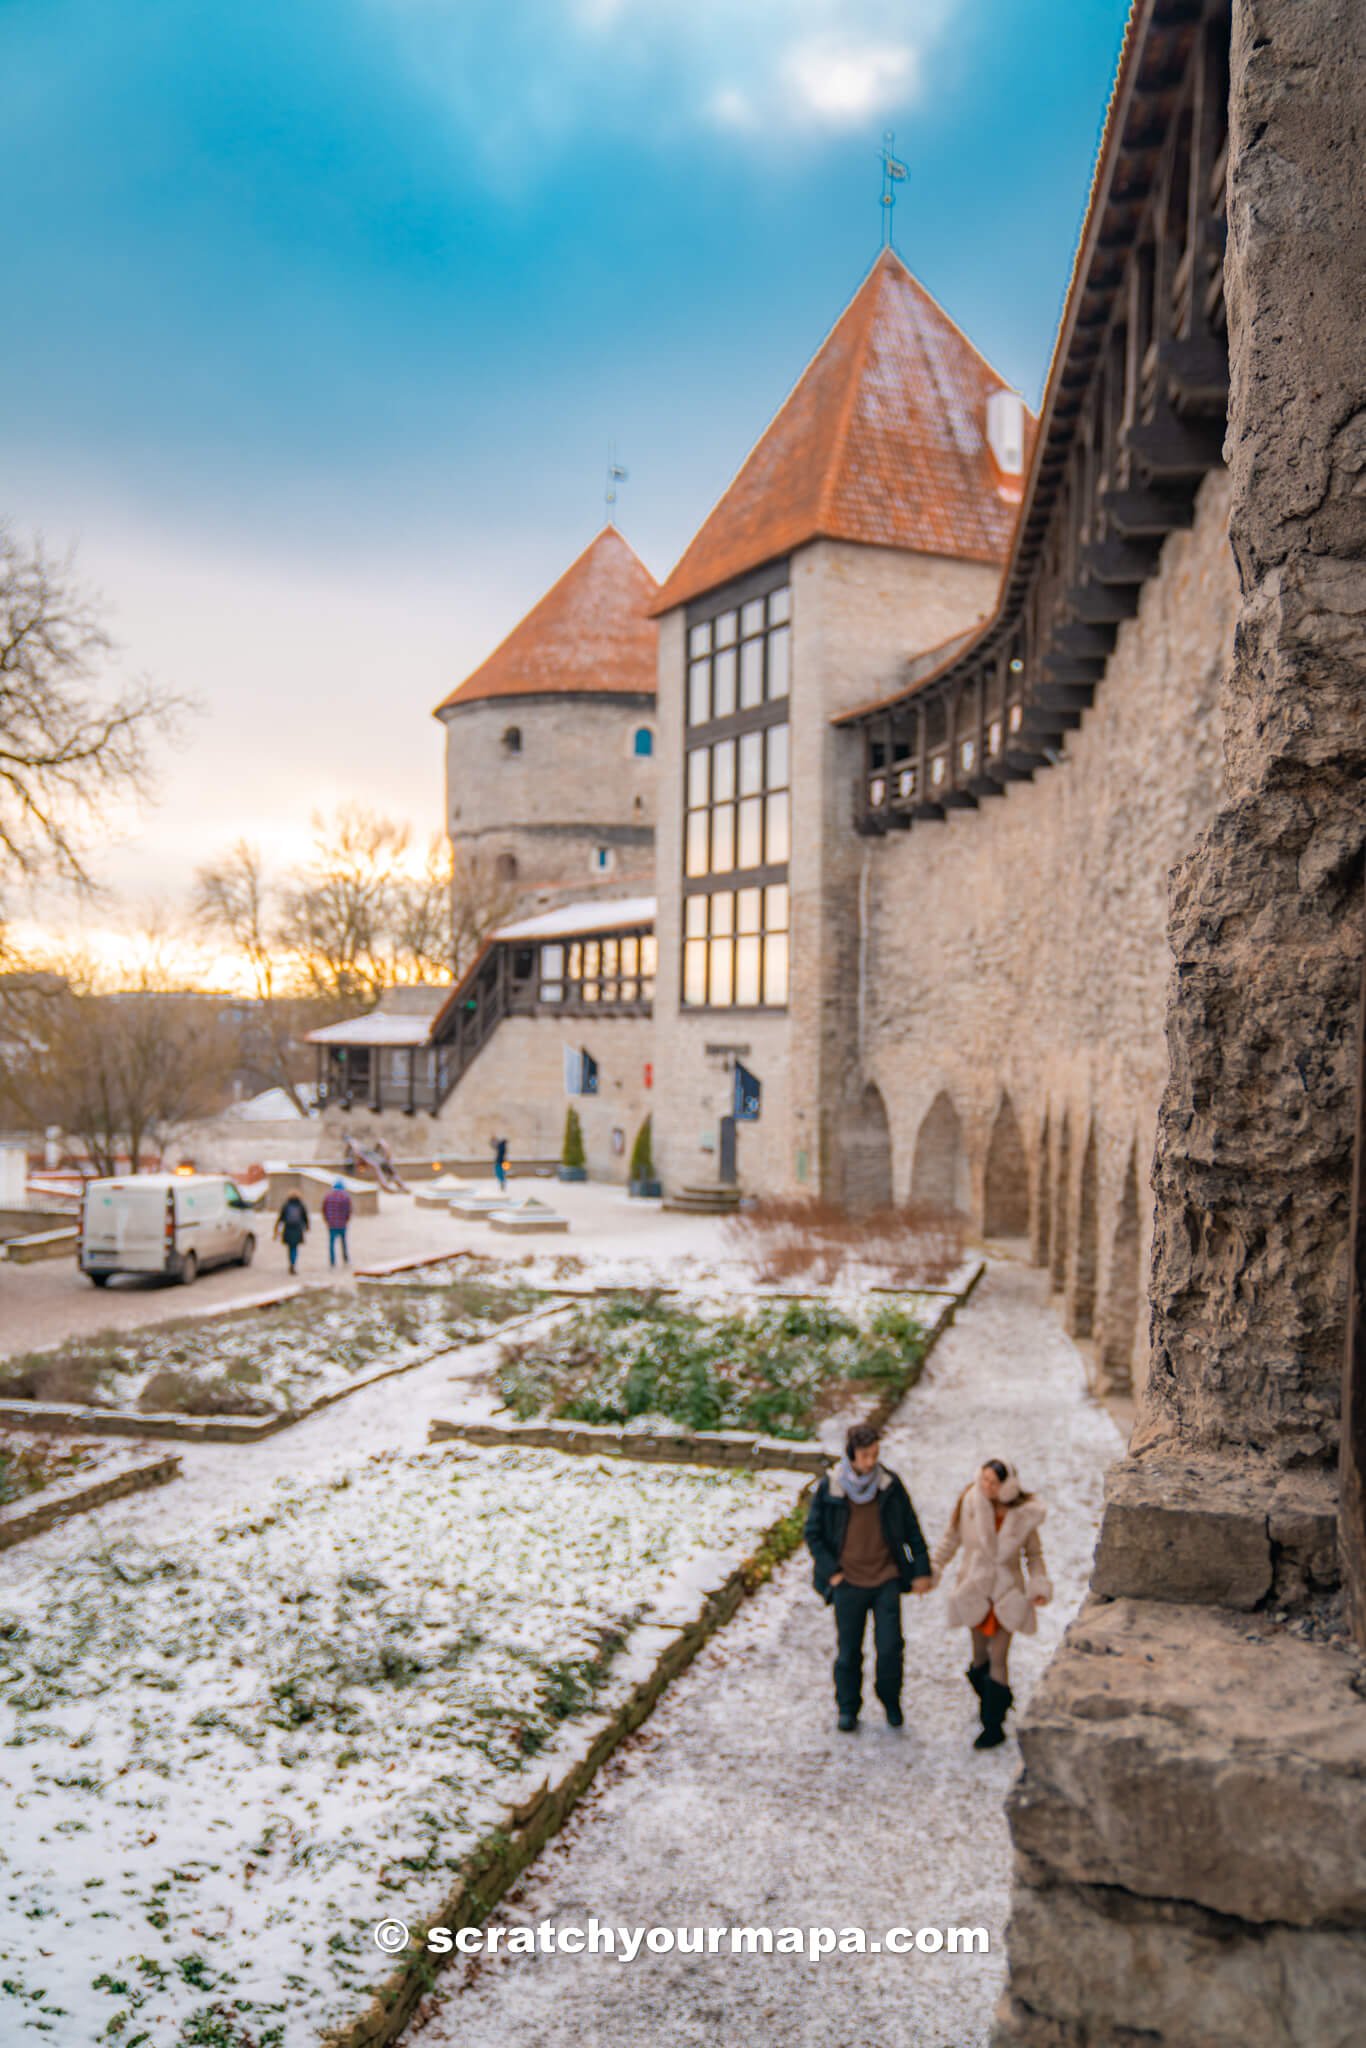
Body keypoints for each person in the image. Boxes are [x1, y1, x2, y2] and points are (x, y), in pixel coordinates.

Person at [804, 1423, 934, 1733]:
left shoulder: (889, 1485)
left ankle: (891, 1701)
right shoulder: (832, 1487)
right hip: (848, 1582)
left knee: (890, 1647)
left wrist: (922, 1570)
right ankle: (848, 1708)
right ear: (851, 1455)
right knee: (849, 1651)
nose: (870, 1462)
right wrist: (832, 1572)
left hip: (885, 1578)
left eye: (874, 1454)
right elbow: (813, 1534)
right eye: (864, 1456)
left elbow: (911, 1528)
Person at [930, 1457, 1051, 1751]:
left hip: (1007, 1594)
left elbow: (1034, 1555)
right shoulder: (969, 1502)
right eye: (983, 1479)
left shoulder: (1024, 1515)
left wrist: (1039, 1584)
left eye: (993, 1482)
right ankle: (998, 1701)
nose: (986, 1486)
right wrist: (934, 1566)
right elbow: (951, 1538)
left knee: (998, 1658)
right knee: (978, 1660)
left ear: (1008, 1485)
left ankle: (992, 1725)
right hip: (975, 1589)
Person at [274, 1191, 310, 1275]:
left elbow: (281, 1217)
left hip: (288, 1228)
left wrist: (276, 1228)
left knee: (290, 1248)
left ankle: (291, 1263)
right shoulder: (301, 1205)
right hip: (297, 1229)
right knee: (295, 1248)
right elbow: (305, 1217)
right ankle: (293, 1263)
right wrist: (307, 1227)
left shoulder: (286, 1205)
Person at [321, 1179, 353, 1267]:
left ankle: (332, 1261)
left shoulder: (328, 1196)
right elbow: (348, 1211)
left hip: (332, 1224)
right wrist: (346, 1220)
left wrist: (327, 1220)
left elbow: (324, 1210)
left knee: (332, 1244)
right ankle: (345, 1259)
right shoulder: (345, 1197)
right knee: (343, 1243)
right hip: (342, 1224)